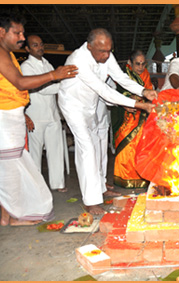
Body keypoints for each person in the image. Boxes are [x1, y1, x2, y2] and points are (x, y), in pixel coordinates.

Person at [59, 28, 156, 215]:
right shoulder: (78, 60)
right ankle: (91, 200)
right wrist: (139, 104)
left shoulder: (106, 54)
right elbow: (104, 90)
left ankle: (101, 187)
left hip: (90, 104)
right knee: (86, 147)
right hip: (73, 106)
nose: (106, 55)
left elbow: (119, 77)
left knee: (97, 145)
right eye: (101, 51)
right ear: (89, 47)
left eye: (109, 51)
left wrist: (143, 91)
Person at [0, 14, 76, 225]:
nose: (21, 37)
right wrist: (54, 76)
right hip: (5, 120)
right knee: (12, 172)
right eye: (17, 33)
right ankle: (14, 216)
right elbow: (20, 83)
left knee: (9, 171)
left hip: (12, 117)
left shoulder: (8, 54)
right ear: (1, 32)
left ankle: (7, 217)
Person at [20, 34, 67, 193]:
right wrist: (63, 87)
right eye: (35, 45)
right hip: (36, 117)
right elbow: (42, 88)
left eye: (40, 44)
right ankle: (36, 187)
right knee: (35, 153)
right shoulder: (26, 66)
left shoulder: (47, 63)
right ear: (27, 48)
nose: (39, 47)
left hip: (52, 115)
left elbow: (54, 83)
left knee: (56, 151)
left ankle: (57, 184)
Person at [110, 50, 152, 189]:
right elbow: (117, 93)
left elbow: (149, 92)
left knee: (141, 146)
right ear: (130, 63)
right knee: (127, 146)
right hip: (125, 115)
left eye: (143, 64)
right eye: (137, 64)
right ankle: (124, 177)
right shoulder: (123, 75)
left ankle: (141, 176)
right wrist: (129, 99)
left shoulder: (145, 75)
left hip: (142, 115)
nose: (140, 67)